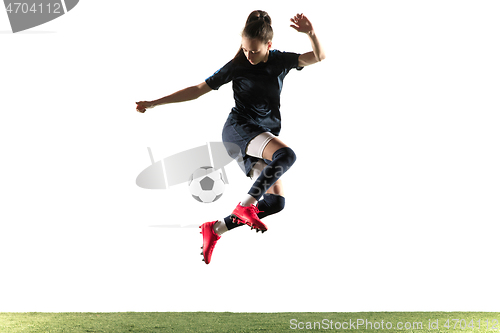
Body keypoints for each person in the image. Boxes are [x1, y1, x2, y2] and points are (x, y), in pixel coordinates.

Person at [136, 11, 325, 264]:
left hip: (260, 135)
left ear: (269, 45)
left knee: (275, 203)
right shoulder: (237, 66)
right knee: (286, 155)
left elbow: (318, 57)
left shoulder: (280, 61)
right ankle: (245, 205)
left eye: (255, 51)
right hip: (239, 130)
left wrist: (311, 34)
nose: (249, 56)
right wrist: (155, 103)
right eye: (245, 50)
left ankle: (215, 230)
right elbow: (197, 90)